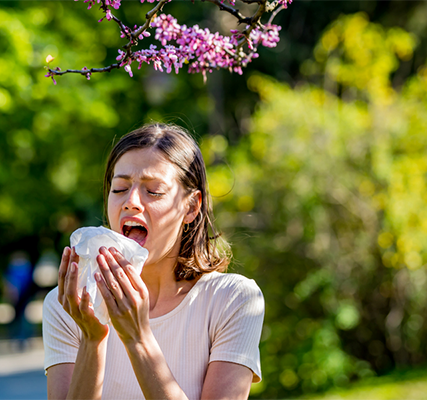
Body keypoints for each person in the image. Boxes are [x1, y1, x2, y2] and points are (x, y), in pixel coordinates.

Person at [43, 123, 265, 400]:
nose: (131, 202)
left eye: (154, 191)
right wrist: (92, 338)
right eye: (120, 188)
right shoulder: (68, 305)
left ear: (191, 207)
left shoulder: (232, 300)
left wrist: (137, 338)